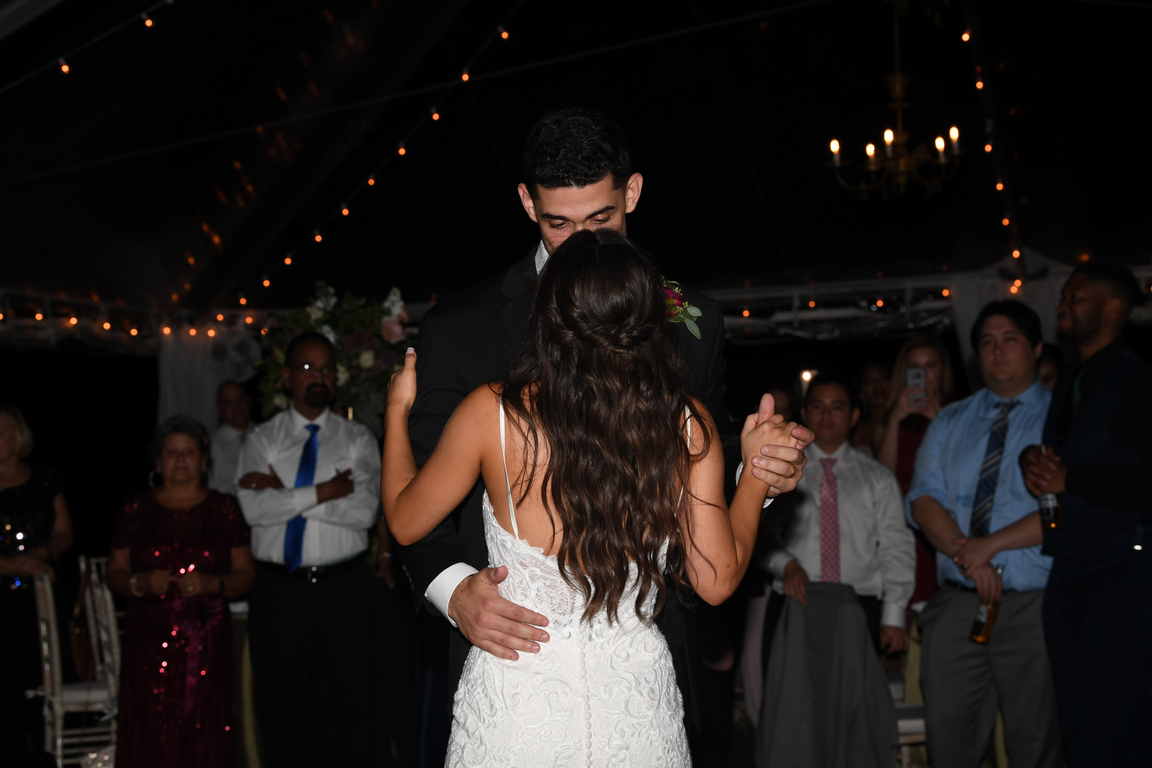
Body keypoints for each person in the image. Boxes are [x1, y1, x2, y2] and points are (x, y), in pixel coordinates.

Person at [401, 106, 811, 759]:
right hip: (512, 657)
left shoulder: (690, 318)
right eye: (558, 223)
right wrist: (452, 592)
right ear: (527, 203)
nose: (579, 243)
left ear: (633, 193)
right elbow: (421, 495)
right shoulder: (461, 326)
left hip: (640, 665)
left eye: (599, 220)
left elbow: (703, 463)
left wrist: (759, 474)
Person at [908, 300, 1061, 768]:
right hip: (959, 600)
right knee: (950, 740)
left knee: (1035, 742)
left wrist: (987, 548)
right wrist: (967, 556)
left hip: (1033, 604)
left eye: (1010, 339)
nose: (997, 351)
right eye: (987, 342)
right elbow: (923, 500)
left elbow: (1067, 508)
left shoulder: (1063, 417)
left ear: (1036, 348)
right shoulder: (951, 420)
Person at [1021, 263, 1152, 767]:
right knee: (1078, 717)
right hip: (1074, 566)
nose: (1063, 307)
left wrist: (1072, 480)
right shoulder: (1075, 379)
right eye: (1063, 298)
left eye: (1076, 298)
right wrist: (1033, 463)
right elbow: (1064, 459)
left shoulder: (1135, 380)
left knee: (1119, 715)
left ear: (1113, 307)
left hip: (1123, 570)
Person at [235, 331, 382, 767]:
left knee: (348, 706)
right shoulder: (261, 439)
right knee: (282, 708)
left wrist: (287, 493)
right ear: (286, 378)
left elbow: (364, 513)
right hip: (279, 591)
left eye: (326, 369)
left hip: (343, 588)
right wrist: (326, 491)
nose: (318, 376)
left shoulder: (357, 439)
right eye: (307, 367)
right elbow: (254, 510)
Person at [107, 415, 254, 768]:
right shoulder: (136, 509)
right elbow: (115, 573)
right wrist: (140, 583)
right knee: (150, 728)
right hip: (148, 639)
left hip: (207, 641)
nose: (181, 460)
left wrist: (212, 584)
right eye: (172, 453)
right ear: (158, 462)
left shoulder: (224, 508)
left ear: (203, 461)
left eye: (189, 452)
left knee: (206, 728)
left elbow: (246, 575)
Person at [765, 375, 914, 657]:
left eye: (837, 407)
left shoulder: (877, 477)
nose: (826, 416)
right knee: (791, 684)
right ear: (804, 413)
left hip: (859, 603)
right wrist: (786, 565)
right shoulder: (782, 471)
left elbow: (896, 544)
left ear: (854, 415)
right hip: (795, 599)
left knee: (857, 685)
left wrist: (893, 615)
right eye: (818, 407)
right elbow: (759, 534)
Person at [0, 405, 73, 764]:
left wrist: (42, 555)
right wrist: (12, 565)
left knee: (42, 678)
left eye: (4, 431)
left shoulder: (45, 479)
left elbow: (64, 532)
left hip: (41, 595)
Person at [876, 335, 957, 609]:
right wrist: (895, 419)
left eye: (930, 366)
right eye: (915, 368)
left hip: (944, 523)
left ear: (942, 370)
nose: (923, 375)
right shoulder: (892, 416)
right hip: (901, 527)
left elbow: (958, 472)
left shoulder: (958, 414)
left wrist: (937, 418)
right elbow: (884, 477)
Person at [209, 380, 252, 495]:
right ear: (220, 408)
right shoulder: (212, 445)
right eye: (229, 403)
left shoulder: (265, 434)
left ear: (248, 401)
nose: (237, 407)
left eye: (240, 400)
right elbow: (214, 487)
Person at [851, 361, 891, 456]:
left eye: (883, 378)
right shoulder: (853, 428)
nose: (878, 386)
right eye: (869, 381)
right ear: (861, 391)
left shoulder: (905, 423)